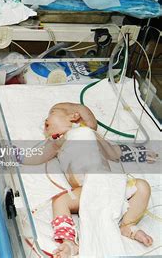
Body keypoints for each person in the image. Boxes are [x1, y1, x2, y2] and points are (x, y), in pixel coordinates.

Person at [22, 103, 155, 258]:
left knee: (142, 187)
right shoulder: (58, 142)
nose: (45, 119)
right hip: (86, 190)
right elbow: (35, 157)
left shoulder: (90, 134)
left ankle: (127, 224)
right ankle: (69, 242)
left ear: (74, 117)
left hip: (112, 186)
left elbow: (114, 152)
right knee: (60, 200)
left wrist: (140, 154)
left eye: (52, 112)